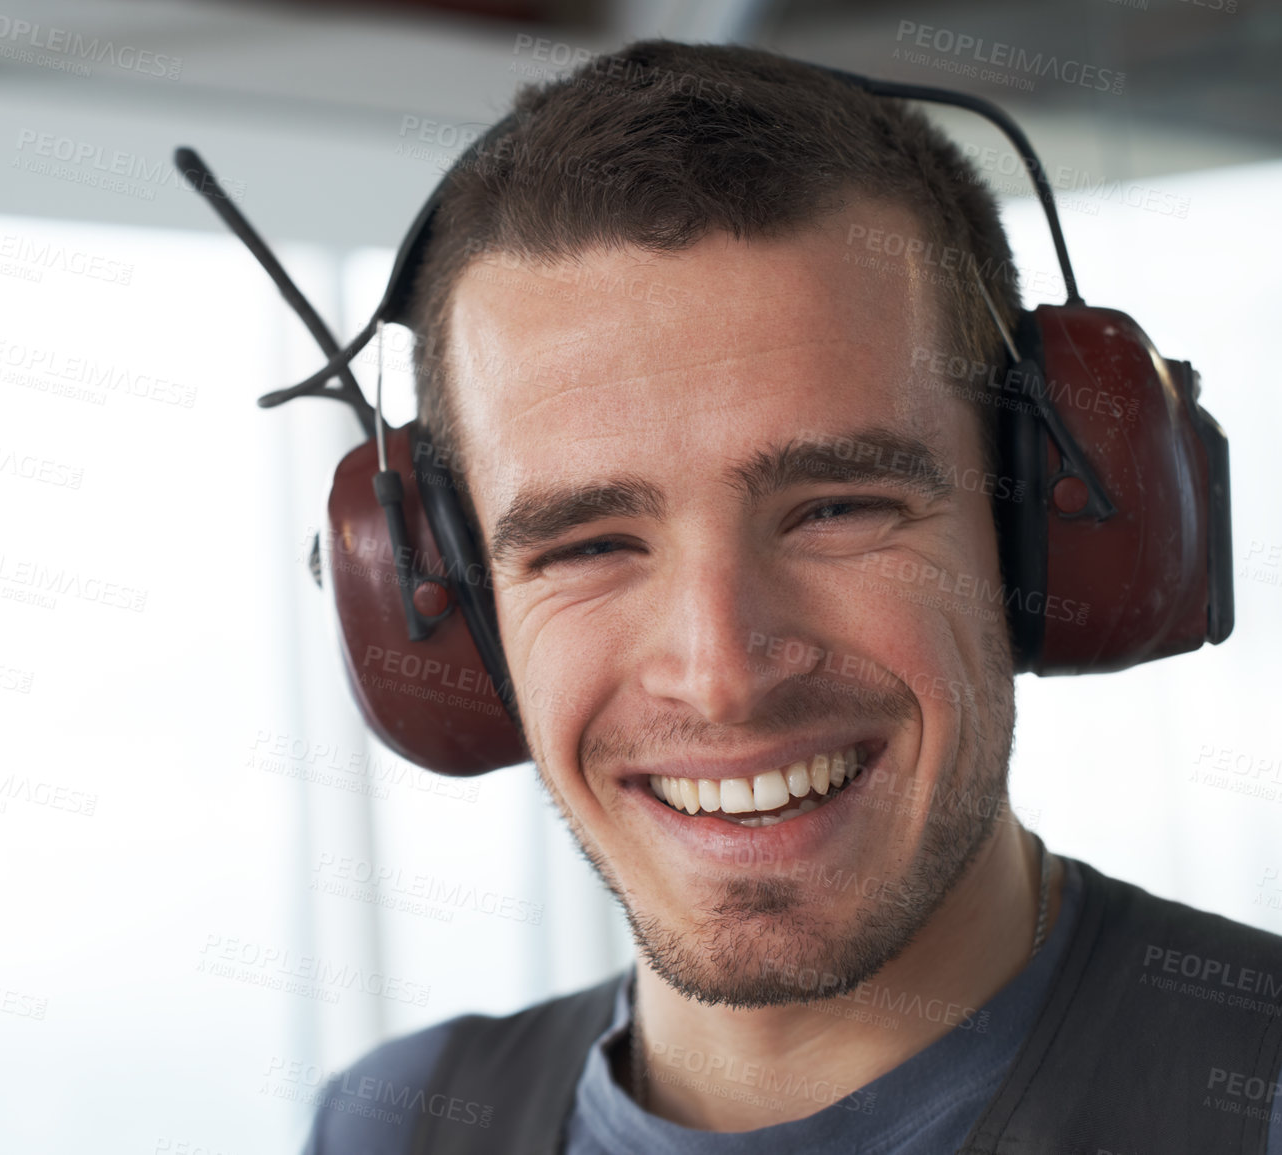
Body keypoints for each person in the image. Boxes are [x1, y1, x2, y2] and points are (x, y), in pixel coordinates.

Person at [301, 41, 1282, 1154]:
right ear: (457, 605)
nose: (721, 674)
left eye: (836, 510)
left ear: (1042, 534)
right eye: (586, 545)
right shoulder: (393, 1124)